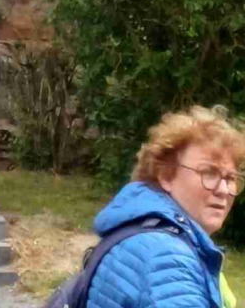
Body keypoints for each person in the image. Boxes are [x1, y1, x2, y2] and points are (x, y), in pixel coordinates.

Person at [85, 106, 245, 306]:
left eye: (230, 178)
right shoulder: (166, 256)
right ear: (166, 176)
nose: (223, 190)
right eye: (209, 173)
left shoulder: (143, 230)